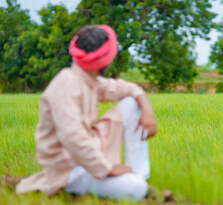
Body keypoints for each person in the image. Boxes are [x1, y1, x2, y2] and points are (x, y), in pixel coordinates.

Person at [16, 25, 157, 202]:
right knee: (135, 189)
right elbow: (72, 137)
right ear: (104, 60)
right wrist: (107, 169)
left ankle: (138, 175)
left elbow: (127, 88)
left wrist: (146, 108)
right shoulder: (66, 85)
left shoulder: (89, 80)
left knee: (133, 103)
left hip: (88, 151)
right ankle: (136, 185)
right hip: (70, 168)